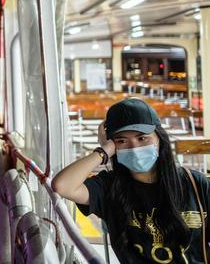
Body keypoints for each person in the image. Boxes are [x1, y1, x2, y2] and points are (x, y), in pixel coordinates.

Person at [52, 98, 209, 263]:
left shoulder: (195, 184)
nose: (134, 148)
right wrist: (104, 150)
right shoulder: (109, 188)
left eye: (142, 138)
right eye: (122, 141)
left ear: (159, 139)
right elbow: (62, 186)